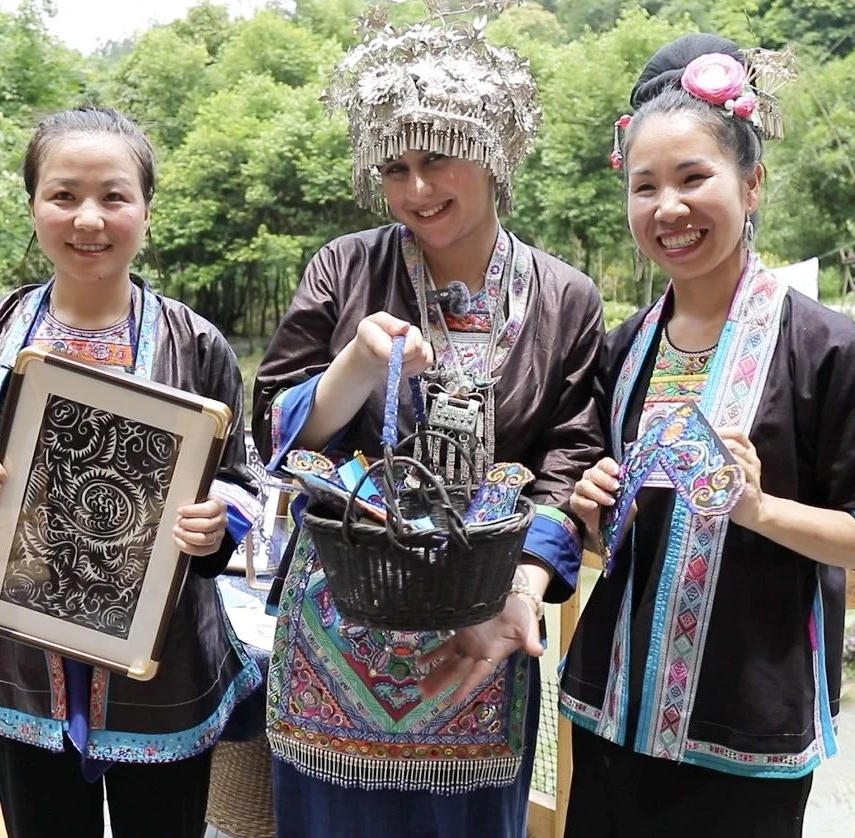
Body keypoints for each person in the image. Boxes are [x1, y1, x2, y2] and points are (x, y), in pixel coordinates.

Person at [251, 18, 605, 838]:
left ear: (494, 151)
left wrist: (522, 592)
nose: (417, 189)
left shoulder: (565, 298)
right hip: (340, 620)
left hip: (487, 622)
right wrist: (355, 366)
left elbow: (571, 456)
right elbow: (278, 434)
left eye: (438, 157)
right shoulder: (344, 267)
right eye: (395, 167)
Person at [560, 34, 855, 836]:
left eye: (694, 178)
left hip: (747, 731)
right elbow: (613, 541)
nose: (668, 208)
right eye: (645, 186)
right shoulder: (625, 348)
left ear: (751, 183)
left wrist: (756, 508)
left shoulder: (823, 347)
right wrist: (593, 509)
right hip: (616, 713)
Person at [0, 105, 261, 838]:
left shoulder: (197, 344)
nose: (88, 219)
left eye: (113, 196)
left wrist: (216, 521)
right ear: (33, 206)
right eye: (63, 195)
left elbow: (238, 478)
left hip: (161, 653)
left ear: (146, 209)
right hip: (18, 646)